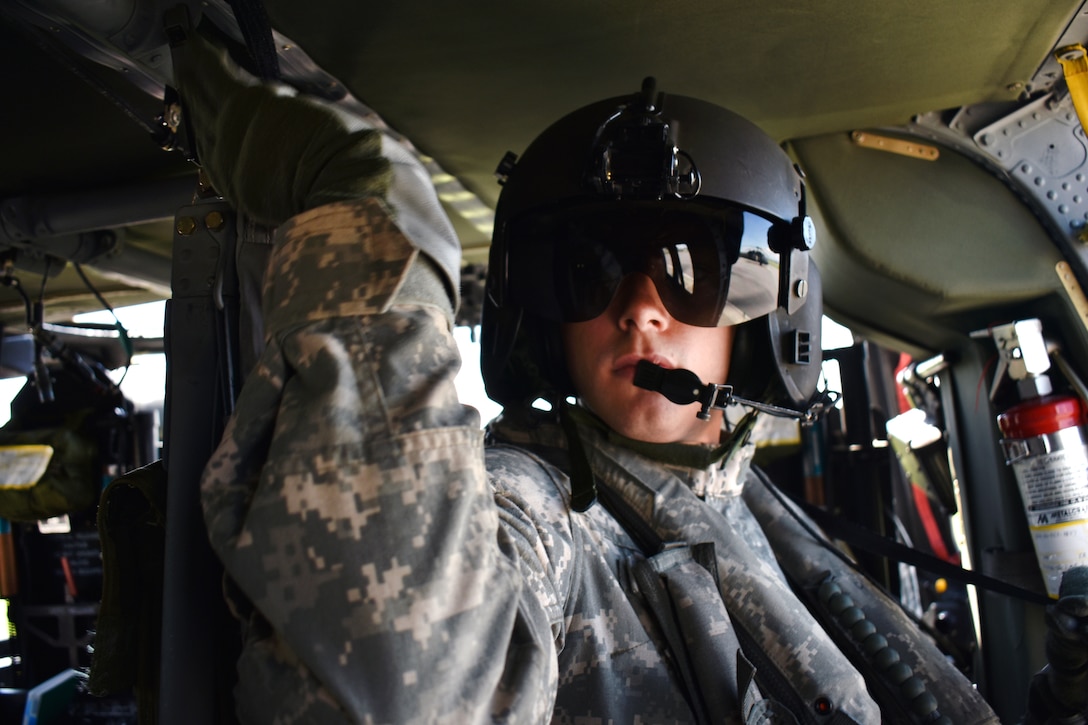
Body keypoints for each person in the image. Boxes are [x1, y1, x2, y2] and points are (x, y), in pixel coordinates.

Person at [173, 23, 999, 725]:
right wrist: (369, 224)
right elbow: (402, 693)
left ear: (764, 323)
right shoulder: (530, 508)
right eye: (588, 270)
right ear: (546, 325)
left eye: (692, 273)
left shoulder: (739, 502)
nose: (641, 309)